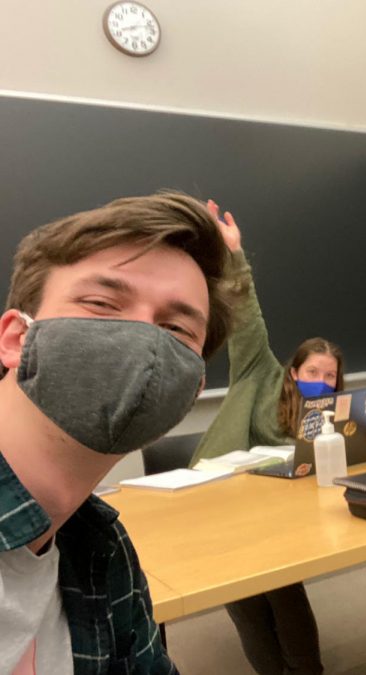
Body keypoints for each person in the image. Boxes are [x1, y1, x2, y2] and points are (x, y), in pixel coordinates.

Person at [0, 191, 246, 674]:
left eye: (176, 330)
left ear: (190, 388)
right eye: (101, 303)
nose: (143, 343)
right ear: (16, 338)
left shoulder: (104, 551)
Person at [189, 201, 341, 675]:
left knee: (283, 587)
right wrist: (233, 257)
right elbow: (245, 320)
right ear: (292, 371)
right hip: (222, 502)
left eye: (331, 375)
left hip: (277, 517)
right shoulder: (260, 374)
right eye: (312, 371)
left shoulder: (331, 416)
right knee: (248, 597)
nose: (321, 379)